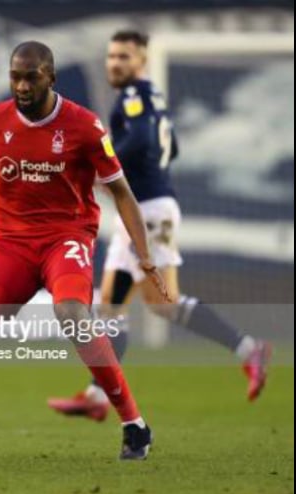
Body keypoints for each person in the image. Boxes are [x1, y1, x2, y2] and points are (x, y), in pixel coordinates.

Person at [0, 41, 170, 462]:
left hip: (67, 238)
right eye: (15, 77)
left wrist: (145, 253)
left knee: (73, 315)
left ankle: (134, 424)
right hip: (12, 243)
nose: (22, 86)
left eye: (31, 77)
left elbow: (121, 192)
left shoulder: (84, 126)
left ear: (51, 77)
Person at [47, 30, 272, 422]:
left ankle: (99, 394)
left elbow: (144, 139)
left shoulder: (136, 95)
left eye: (124, 56)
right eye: (112, 55)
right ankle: (247, 349)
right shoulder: (151, 98)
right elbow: (171, 146)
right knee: (157, 304)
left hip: (145, 211)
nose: (115, 63)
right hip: (149, 207)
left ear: (142, 62)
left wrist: (100, 161)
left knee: (115, 306)